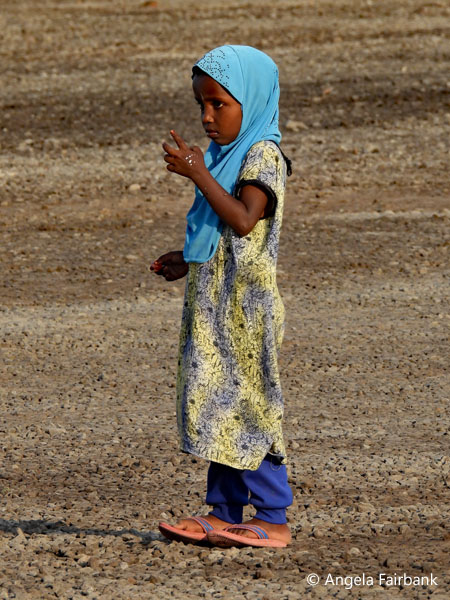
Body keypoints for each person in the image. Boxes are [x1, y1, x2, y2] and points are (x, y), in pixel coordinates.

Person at [151, 45, 293, 548]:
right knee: (216, 405)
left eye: (219, 105)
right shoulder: (224, 156)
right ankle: (224, 510)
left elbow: (244, 218)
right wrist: (186, 259)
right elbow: (220, 233)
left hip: (246, 312)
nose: (208, 118)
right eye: (201, 106)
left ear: (251, 101)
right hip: (213, 308)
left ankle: (272, 515)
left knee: (249, 406)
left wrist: (198, 173)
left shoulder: (263, 155)